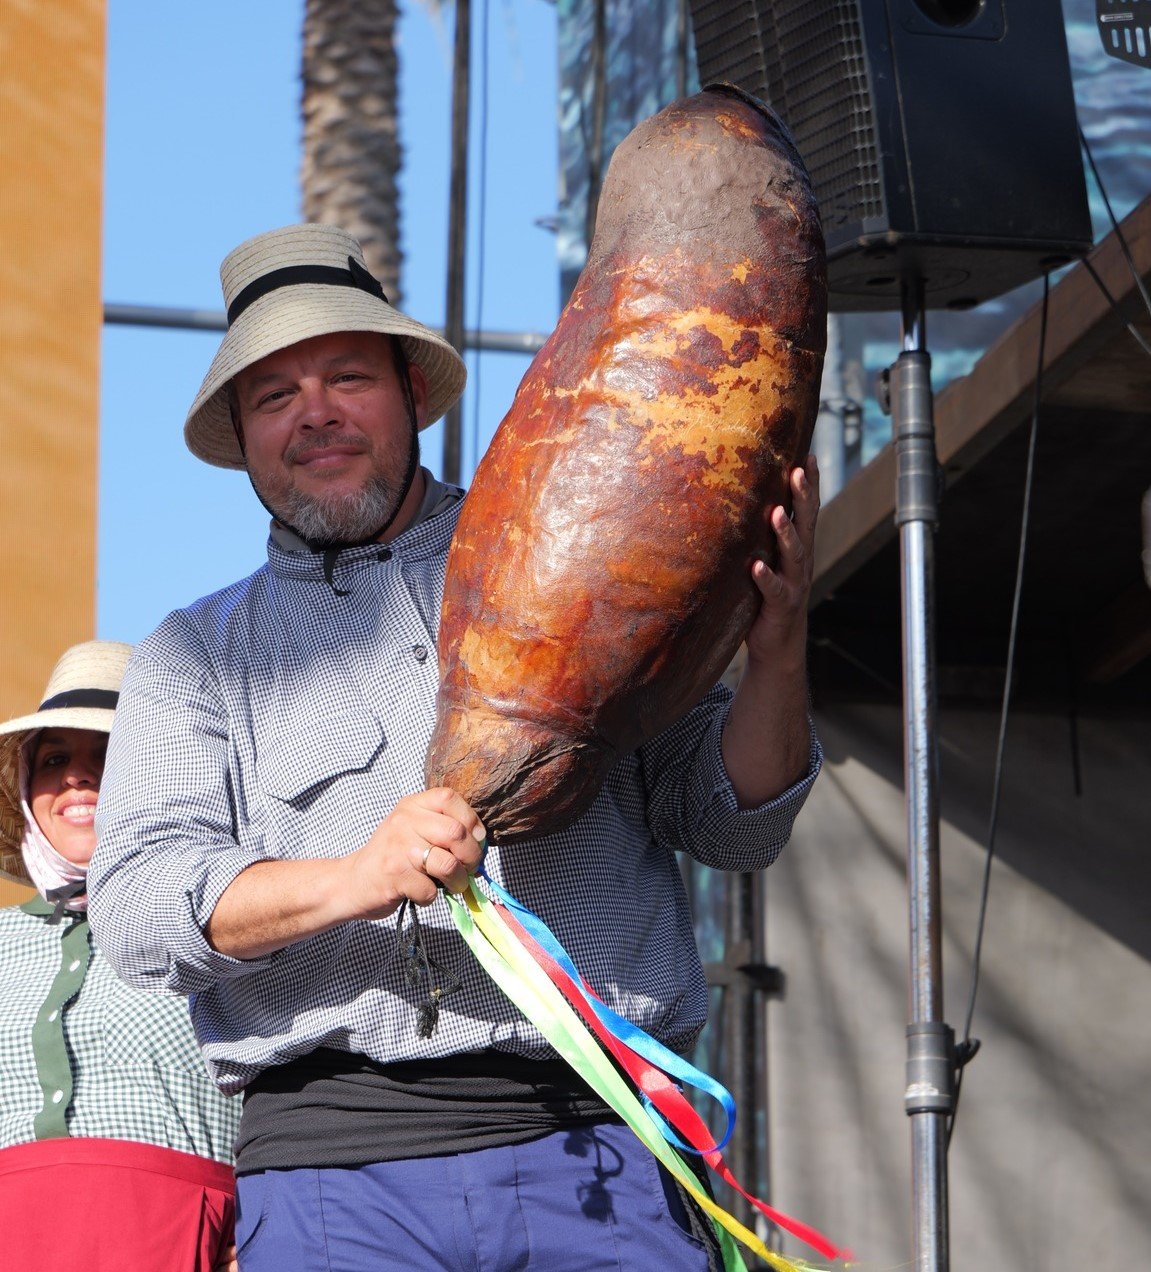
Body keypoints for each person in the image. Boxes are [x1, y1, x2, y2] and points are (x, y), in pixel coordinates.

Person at [89, 223, 822, 1271]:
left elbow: (728, 820)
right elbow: (139, 912)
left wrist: (779, 650)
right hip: (334, 1182)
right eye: (273, 396)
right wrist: (354, 877)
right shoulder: (193, 654)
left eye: (346, 376)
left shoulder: (586, 563)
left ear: (415, 398)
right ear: (243, 437)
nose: (315, 414)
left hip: (598, 1152)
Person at [0, 640, 240, 1271]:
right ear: (28, 787)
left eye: (106, 755)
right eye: (54, 758)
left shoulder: (226, 924)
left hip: (175, 1239)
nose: (76, 776)